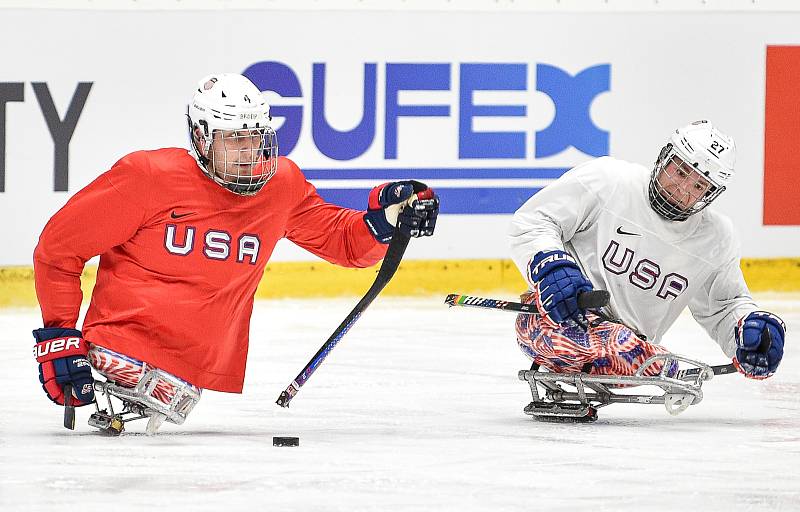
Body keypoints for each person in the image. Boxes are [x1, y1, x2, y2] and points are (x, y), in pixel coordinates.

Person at [32, 73, 439, 431]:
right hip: (120, 351)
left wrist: (385, 219)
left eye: (255, 138)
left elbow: (346, 244)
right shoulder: (149, 177)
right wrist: (59, 335)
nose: (249, 153)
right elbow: (58, 248)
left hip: (187, 375)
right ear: (202, 138)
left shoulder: (281, 186)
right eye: (234, 141)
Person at [509, 120, 785, 380]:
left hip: (633, 353)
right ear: (664, 157)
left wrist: (748, 330)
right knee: (634, 354)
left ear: (711, 195)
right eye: (680, 172)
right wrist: (551, 267)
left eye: (699, 185)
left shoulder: (715, 238)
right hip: (557, 323)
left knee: (630, 351)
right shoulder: (608, 181)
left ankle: (633, 355)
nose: (682, 189)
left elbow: (723, 306)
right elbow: (534, 221)